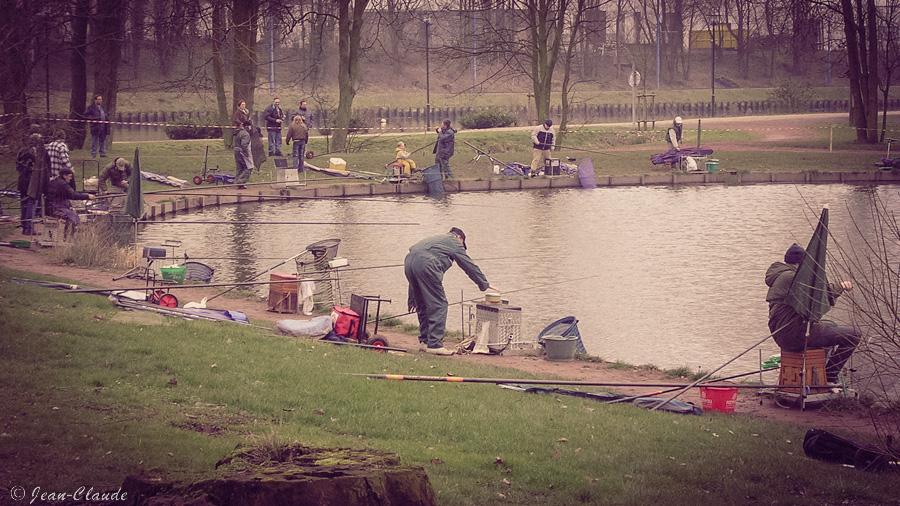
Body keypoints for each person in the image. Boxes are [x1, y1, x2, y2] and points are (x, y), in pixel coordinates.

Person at [765, 243, 862, 383]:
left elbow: (813, 299)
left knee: (830, 326)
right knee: (853, 336)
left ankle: (817, 373)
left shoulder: (781, 276)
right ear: (802, 263)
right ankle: (829, 376)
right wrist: (840, 287)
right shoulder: (793, 278)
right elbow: (820, 292)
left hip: (782, 333)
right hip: (795, 335)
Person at [405, 227, 496, 355]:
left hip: (408, 261)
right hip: (427, 265)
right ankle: (435, 345)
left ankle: (425, 343)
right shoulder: (454, 242)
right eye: (463, 245)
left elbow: (415, 272)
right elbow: (468, 265)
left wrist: (412, 299)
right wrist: (484, 283)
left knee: (422, 304)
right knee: (439, 305)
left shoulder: (436, 240)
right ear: (460, 238)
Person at [47, 167, 95, 237]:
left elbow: (65, 196)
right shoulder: (62, 184)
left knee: (72, 213)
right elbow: (73, 195)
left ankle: (68, 236)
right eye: (70, 176)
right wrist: (87, 196)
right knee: (72, 216)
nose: (71, 178)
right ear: (64, 176)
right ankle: (68, 237)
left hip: (53, 205)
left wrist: (69, 206)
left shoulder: (57, 181)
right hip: (52, 208)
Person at [16, 134, 42, 235]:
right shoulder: (36, 152)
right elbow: (38, 168)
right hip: (31, 182)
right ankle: (29, 228)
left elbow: (17, 166)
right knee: (31, 204)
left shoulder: (22, 150)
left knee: (23, 204)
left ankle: (24, 226)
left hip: (22, 180)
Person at [234, 120, 254, 189]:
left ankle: (237, 182)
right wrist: (246, 155)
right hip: (242, 152)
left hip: (236, 151)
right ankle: (241, 182)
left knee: (239, 168)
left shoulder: (239, 132)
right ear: (248, 126)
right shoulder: (246, 134)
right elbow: (244, 145)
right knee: (249, 167)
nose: (251, 128)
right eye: (250, 126)